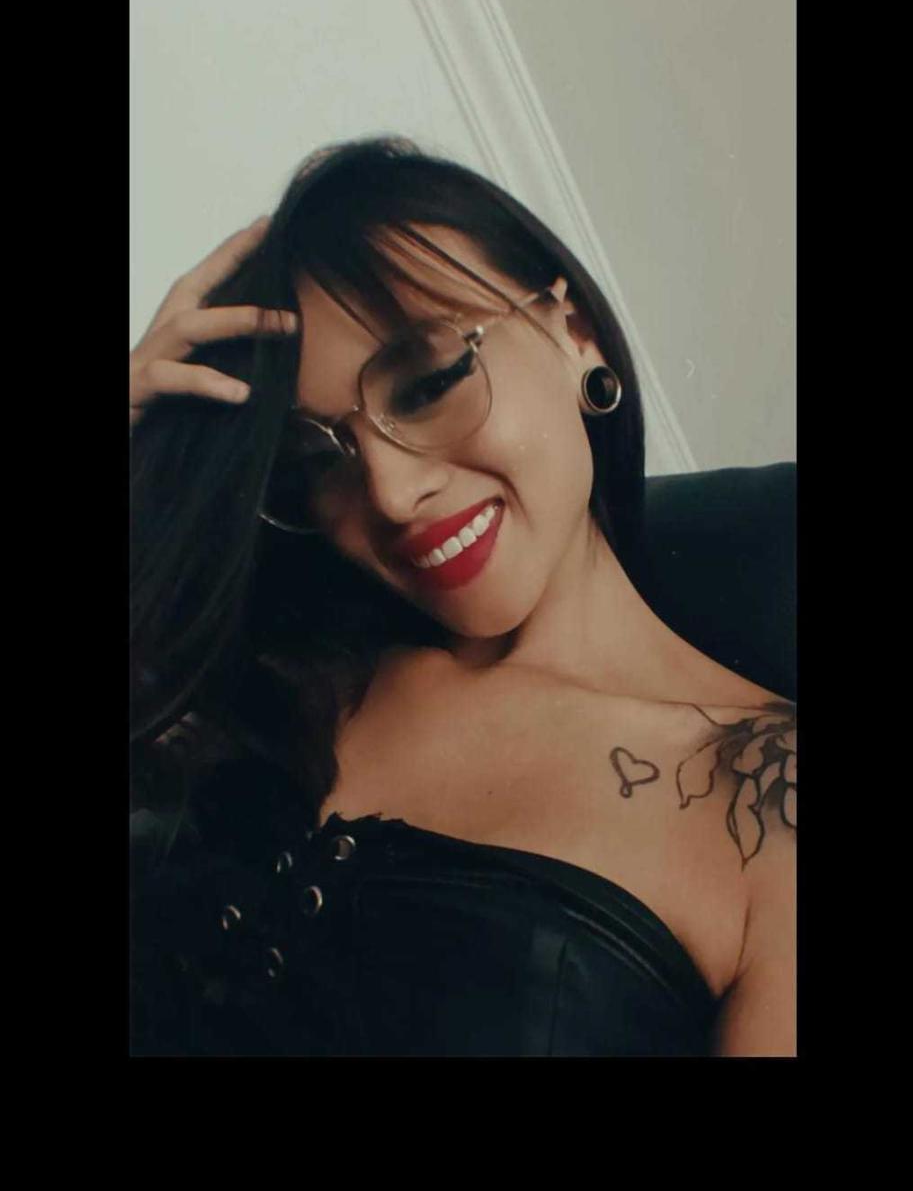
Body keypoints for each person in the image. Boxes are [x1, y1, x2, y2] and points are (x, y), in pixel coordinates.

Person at [129, 135, 796, 1057]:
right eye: (318, 457)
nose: (391, 493)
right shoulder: (280, 669)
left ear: (572, 334)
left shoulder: (767, 810)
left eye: (430, 383)